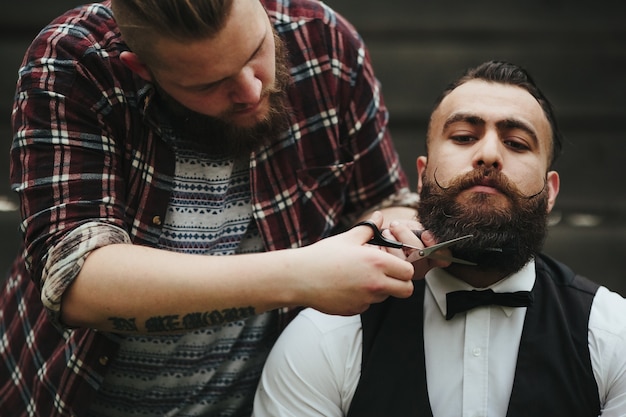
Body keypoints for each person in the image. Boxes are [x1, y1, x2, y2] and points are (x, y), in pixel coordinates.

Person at [0, 1, 424, 415]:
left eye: (256, 50)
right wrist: (305, 274)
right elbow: (77, 281)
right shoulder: (76, 60)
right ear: (141, 68)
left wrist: (400, 231)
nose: (252, 90)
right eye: (208, 84)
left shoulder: (327, 41)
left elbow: (382, 200)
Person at [253, 61, 626, 417]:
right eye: (464, 137)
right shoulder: (329, 333)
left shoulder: (613, 336)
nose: (489, 154)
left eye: (515, 142)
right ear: (421, 176)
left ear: (551, 193)